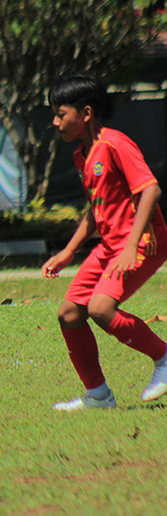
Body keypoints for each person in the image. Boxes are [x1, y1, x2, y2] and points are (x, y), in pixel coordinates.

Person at [43, 73, 167, 411]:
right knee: (69, 313)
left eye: (60, 113)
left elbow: (151, 189)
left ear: (85, 113)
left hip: (141, 244)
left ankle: (164, 357)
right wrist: (69, 251)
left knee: (100, 308)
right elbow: (96, 210)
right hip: (110, 247)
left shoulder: (115, 143)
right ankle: (98, 395)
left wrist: (130, 245)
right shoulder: (83, 156)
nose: (55, 122)